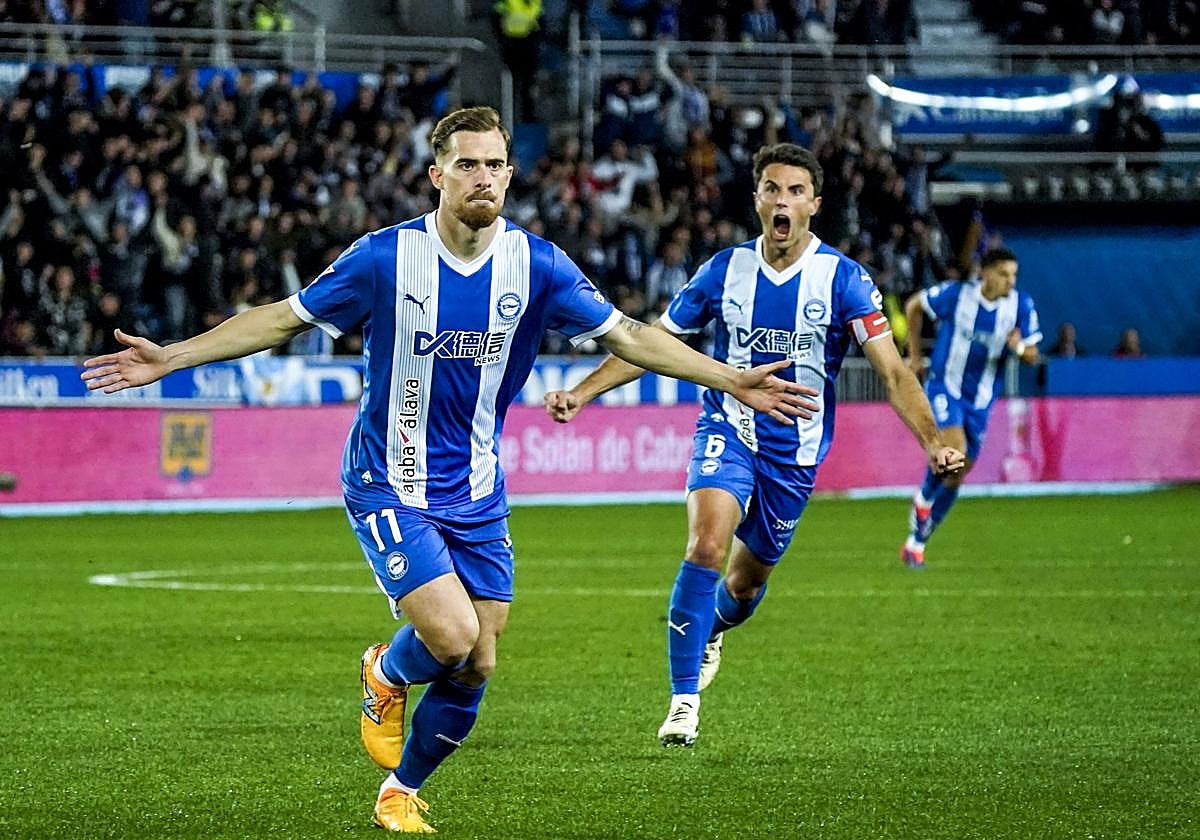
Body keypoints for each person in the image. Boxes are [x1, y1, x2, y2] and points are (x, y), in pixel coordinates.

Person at [80, 107, 818, 834]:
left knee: (479, 663)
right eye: (468, 163)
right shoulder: (384, 257)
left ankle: (400, 791)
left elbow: (629, 334)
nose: (484, 176)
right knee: (454, 636)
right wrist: (171, 357)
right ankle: (386, 673)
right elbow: (283, 318)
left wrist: (730, 378)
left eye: (496, 163)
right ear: (437, 174)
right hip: (387, 482)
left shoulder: (538, 265)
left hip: (477, 491)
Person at [543, 143, 965, 749]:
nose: (782, 200)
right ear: (758, 200)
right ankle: (682, 702)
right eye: (772, 188)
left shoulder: (843, 280)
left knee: (743, 586)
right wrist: (585, 390)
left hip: (795, 455)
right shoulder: (723, 270)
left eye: (796, 191)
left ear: (815, 204)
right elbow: (655, 341)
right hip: (728, 428)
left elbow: (895, 373)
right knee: (706, 542)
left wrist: (931, 441)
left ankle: (713, 627)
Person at [901, 247, 1042, 568]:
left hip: (980, 400)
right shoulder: (957, 296)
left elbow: (1033, 355)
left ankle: (916, 542)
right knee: (956, 450)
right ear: (986, 272)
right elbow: (914, 306)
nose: (1010, 281)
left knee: (956, 475)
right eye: (1004, 274)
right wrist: (914, 356)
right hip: (944, 386)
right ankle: (923, 499)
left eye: (1014, 275)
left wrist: (1018, 347)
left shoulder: (1021, 305)